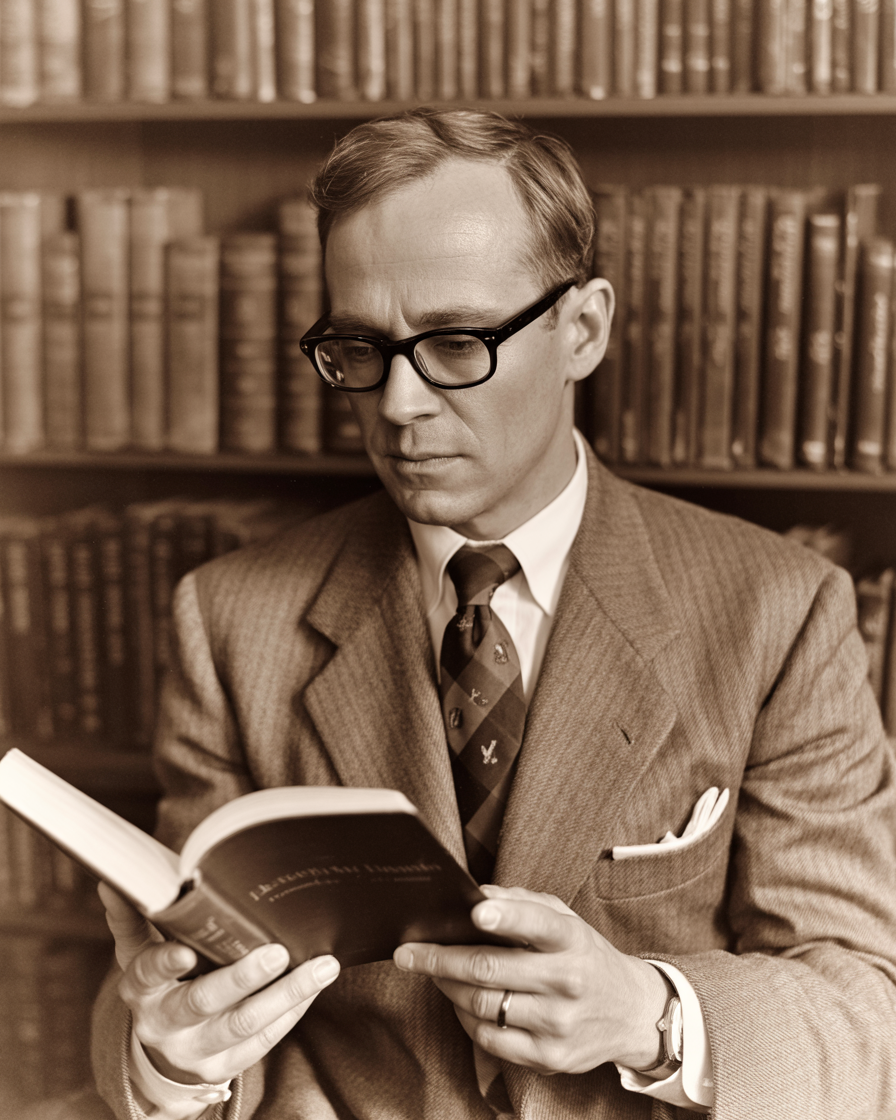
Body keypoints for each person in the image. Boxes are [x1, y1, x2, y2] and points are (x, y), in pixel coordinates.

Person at [90, 107, 896, 1120]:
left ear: (582, 330)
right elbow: (185, 993)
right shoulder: (226, 620)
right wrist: (171, 1061)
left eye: (455, 341)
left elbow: (865, 1013)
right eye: (359, 347)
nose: (397, 405)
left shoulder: (780, 612)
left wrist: (648, 1014)